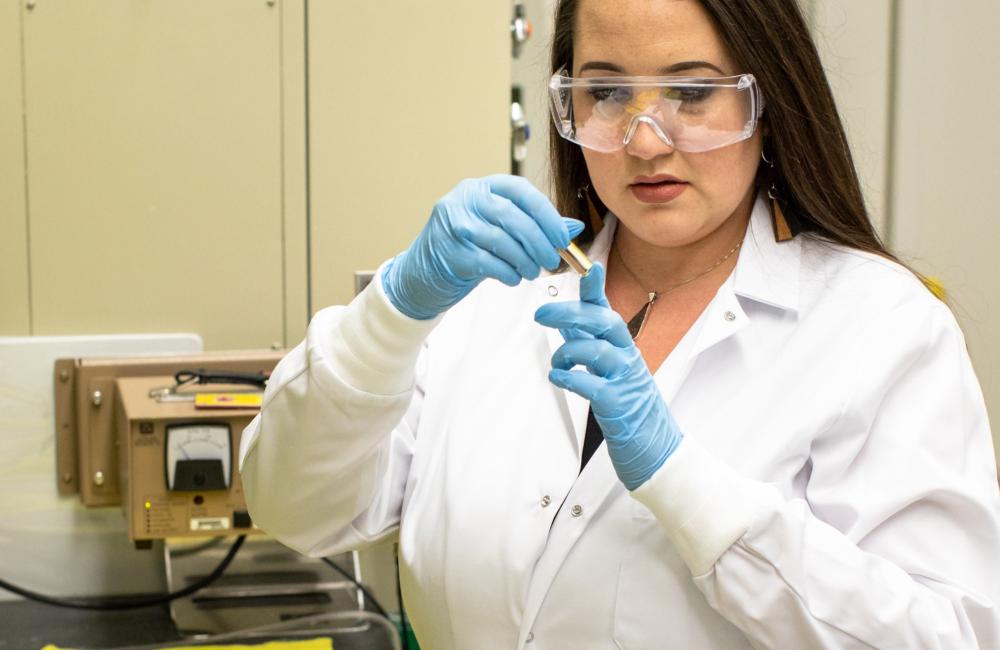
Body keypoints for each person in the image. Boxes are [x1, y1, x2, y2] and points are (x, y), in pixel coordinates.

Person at [239, 0, 1000, 647]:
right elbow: (294, 506)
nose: (644, 140)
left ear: (769, 100)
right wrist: (394, 312)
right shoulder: (490, 302)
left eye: (692, 94)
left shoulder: (880, 327)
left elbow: (945, 634)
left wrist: (683, 483)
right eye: (606, 95)